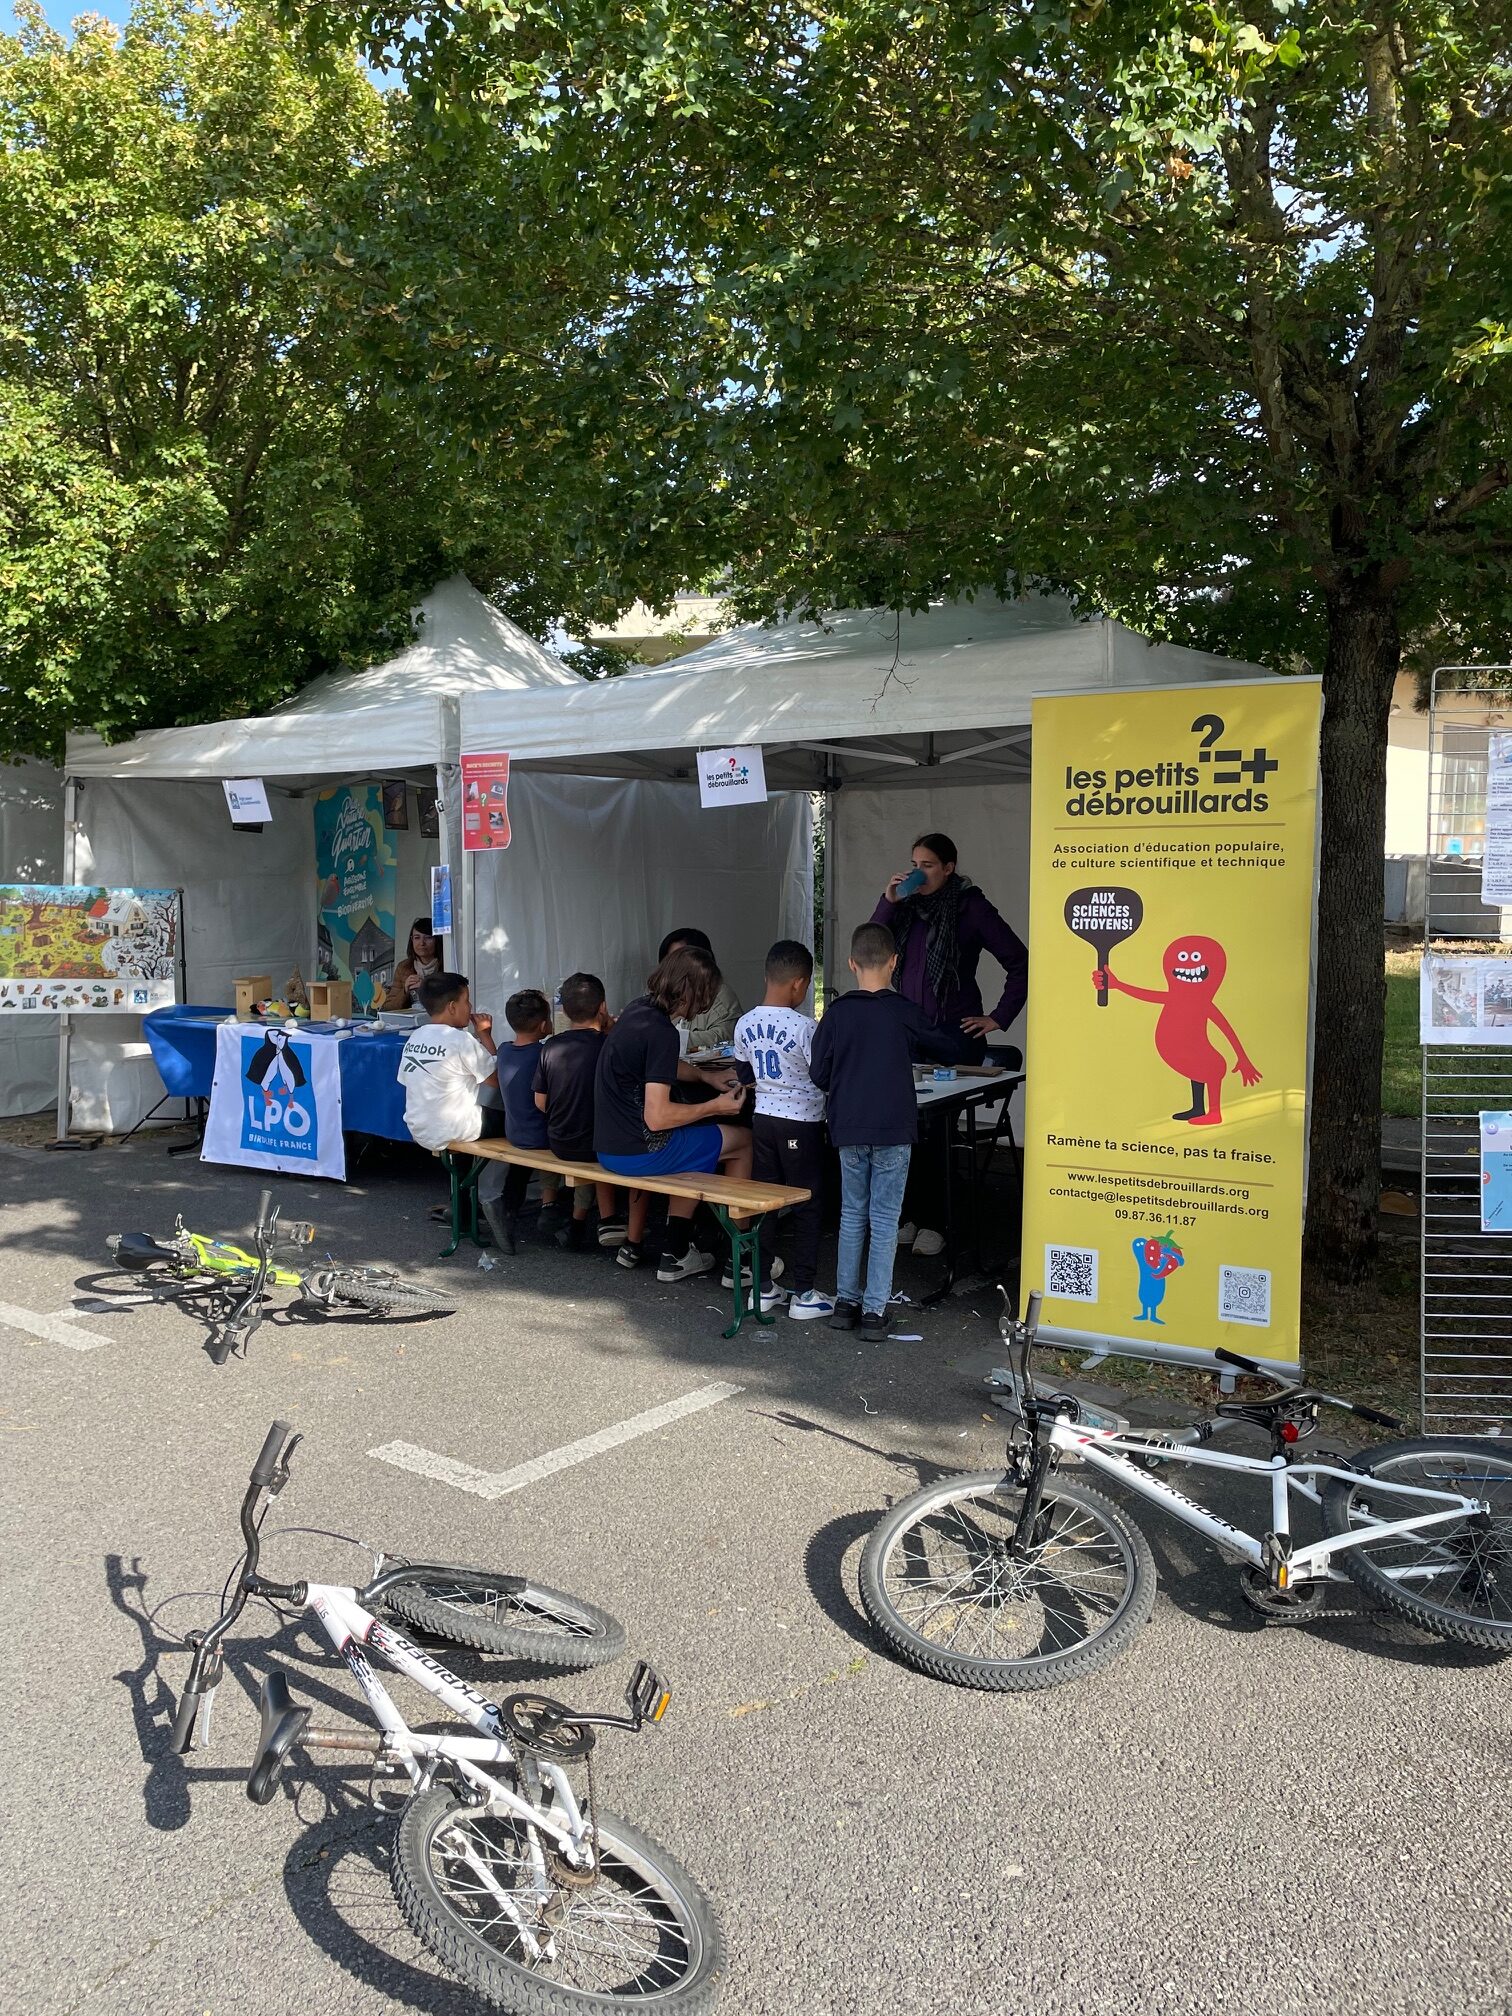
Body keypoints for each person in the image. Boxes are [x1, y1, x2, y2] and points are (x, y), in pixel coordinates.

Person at [871, 831, 1028, 1257]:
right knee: (907, 1129)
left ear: (949, 868)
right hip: (909, 1032)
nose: (918, 872)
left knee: (937, 1130)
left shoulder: (970, 906)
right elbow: (871, 945)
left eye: (927, 865)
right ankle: (912, 1215)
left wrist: (998, 1017)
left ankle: (938, 1221)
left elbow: (1020, 961)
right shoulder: (908, 907)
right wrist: (890, 900)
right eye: (914, 863)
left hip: (953, 1037)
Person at [595, 943, 773, 1292]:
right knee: (741, 1142)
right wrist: (715, 1106)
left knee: (702, 1141)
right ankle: (742, 1259)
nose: (706, 1004)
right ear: (691, 990)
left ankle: (676, 1252)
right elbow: (659, 1117)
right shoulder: (661, 1031)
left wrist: (705, 1078)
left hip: (608, 1147)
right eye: (706, 994)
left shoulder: (636, 1011)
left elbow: (660, 1064)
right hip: (640, 1153)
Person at [810, 922, 956, 1341]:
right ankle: (875, 1311)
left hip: (848, 1126)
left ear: (852, 963)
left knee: (852, 1214)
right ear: (895, 962)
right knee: (886, 1219)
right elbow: (946, 1046)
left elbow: (819, 1072)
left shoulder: (837, 1014)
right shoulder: (904, 1011)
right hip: (894, 1127)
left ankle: (845, 1303)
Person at [733, 940, 834, 1320]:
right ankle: (805, 1293)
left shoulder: (745, 1023)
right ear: (799, 983)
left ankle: (763, 1288)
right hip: (802, 1123)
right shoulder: (806, 1027)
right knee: (808, 1204)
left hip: (763, 1120)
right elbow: (822, 1076)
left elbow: (745, 1074)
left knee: (767, 1203)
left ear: (766, 976)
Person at [533, 972, 627, 1253]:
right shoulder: (610, 1046)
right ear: (603, 1007)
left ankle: (572, 1219)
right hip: (599, 1146)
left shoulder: (551, 1046)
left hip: (559, 1141)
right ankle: (601, 1220)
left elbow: (540, 1102)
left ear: (563, 1011)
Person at [490, 989, 562, 1253]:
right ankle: (557, 1210)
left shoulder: (506, 1050)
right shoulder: (546, 1054)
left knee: (520, 1167)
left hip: (515, 1132)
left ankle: (508, 1212)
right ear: (544, 1024)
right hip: (542, 1137)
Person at [398, 971, 502, 1151]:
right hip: (456, 1127)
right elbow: (495, 1081)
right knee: (522, 1122)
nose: (470, 1006)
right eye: (467, 1001)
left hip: (419, 1128)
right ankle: (515, 1180)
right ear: (452, 1007)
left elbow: (405, 1080)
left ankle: (465, 1177)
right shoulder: (461, 1040)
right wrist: (485, 1036)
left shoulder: (416, 1037)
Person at [658, 927, 743, 1052]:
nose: (672, 965)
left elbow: (725, 1038)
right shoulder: (659, 990)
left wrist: (669, 1038)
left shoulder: (719, 994)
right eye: (669, 959)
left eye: (680, 958)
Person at [385, 917, 443, 1009]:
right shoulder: (403, 967)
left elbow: (452, 1004)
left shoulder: (446, 965)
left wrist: (426, 988)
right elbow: (388, 1007)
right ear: (411, 940)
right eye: (417, 938)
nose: (422, 943)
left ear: (437, 940)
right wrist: (405, 990)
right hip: (410, 1022)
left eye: (428, 937)